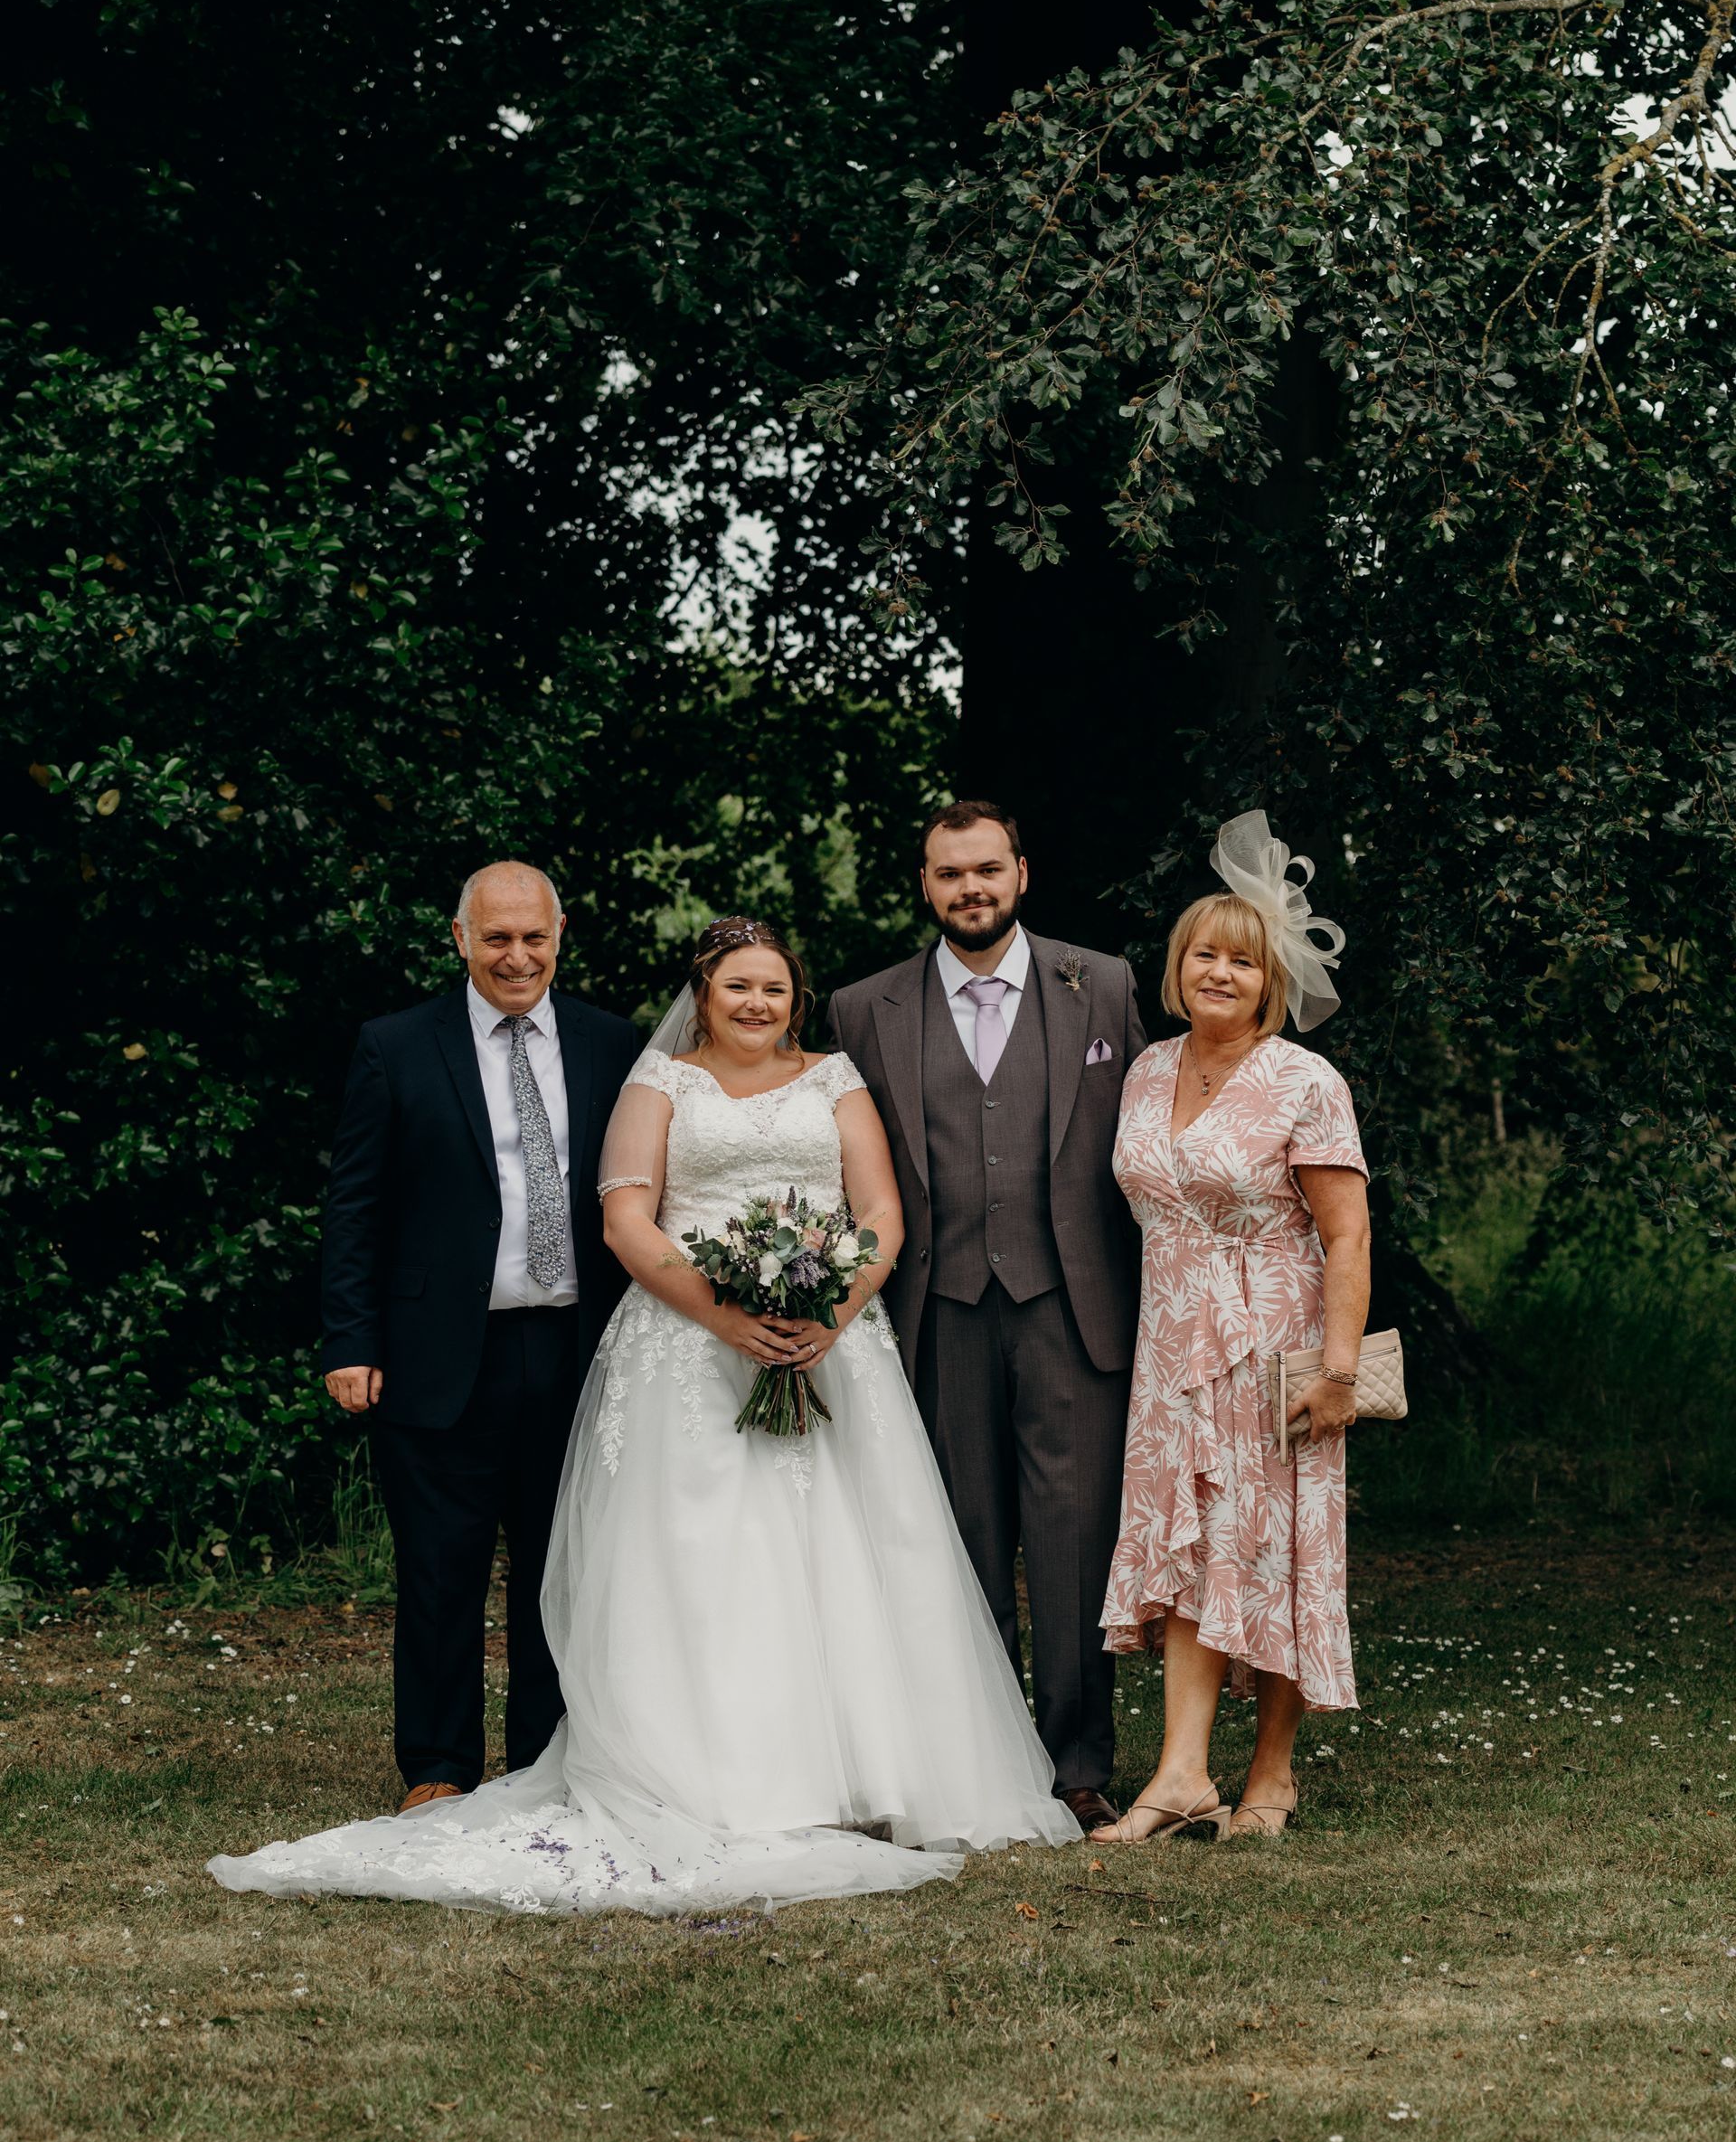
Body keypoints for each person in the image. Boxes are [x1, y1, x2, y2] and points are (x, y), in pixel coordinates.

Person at [210, 918, 1076, 1914]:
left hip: (829, 1348)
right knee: (699, 1555)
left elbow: (879, 1212)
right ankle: (693, 1772)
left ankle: (862, 1774)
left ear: (798, 1000)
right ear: (703, 993)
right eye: (738, 986)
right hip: (686, 1351)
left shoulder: (836, 1080)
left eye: (775, 989)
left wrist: (828, 1316)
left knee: (845, 1551)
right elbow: (626, 1219)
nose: (756, 1003)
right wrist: (728, 1317)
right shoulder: (658, 1079)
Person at [828, 801, 1145, 1833]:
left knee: (1073, 1542)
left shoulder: (1102, 984)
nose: (971, 889)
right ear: (926, 885)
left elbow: (1150, 1138)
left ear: (1021, 873)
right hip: (936, 1310)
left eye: (987, 869)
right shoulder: (863, 1009)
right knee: (957, 1544)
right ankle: (977, 1765)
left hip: (1072, 1308)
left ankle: (1078, 1765)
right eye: (950, 873)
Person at [316, 860, 639, 1811]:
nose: (517, 956)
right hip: (438, 1350)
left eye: (534, 936)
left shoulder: (611, 1042)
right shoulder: (395, 1045)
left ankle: (543, 1762)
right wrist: (349, 1339)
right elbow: (355, 1206)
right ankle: (439, 1764)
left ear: (560, 935)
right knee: (438, 1570)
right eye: (496, 937)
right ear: (461, 939)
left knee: (560, 1567)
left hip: (577, 1348)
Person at [1094, 809, 1371, 1845]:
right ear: (1178, 968)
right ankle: (1179, 1777)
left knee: (1270, 1549)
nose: (1220, 973)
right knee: (1192, 1547)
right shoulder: (1146, 1070)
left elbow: (1348, 1235)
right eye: (1204, 955)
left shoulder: (1305, 1081)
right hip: (1171, 1350)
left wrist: (1337, 1371)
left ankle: (1272, 1775)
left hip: (1272, 1345)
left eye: (1242, 962)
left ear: (1271, 981)